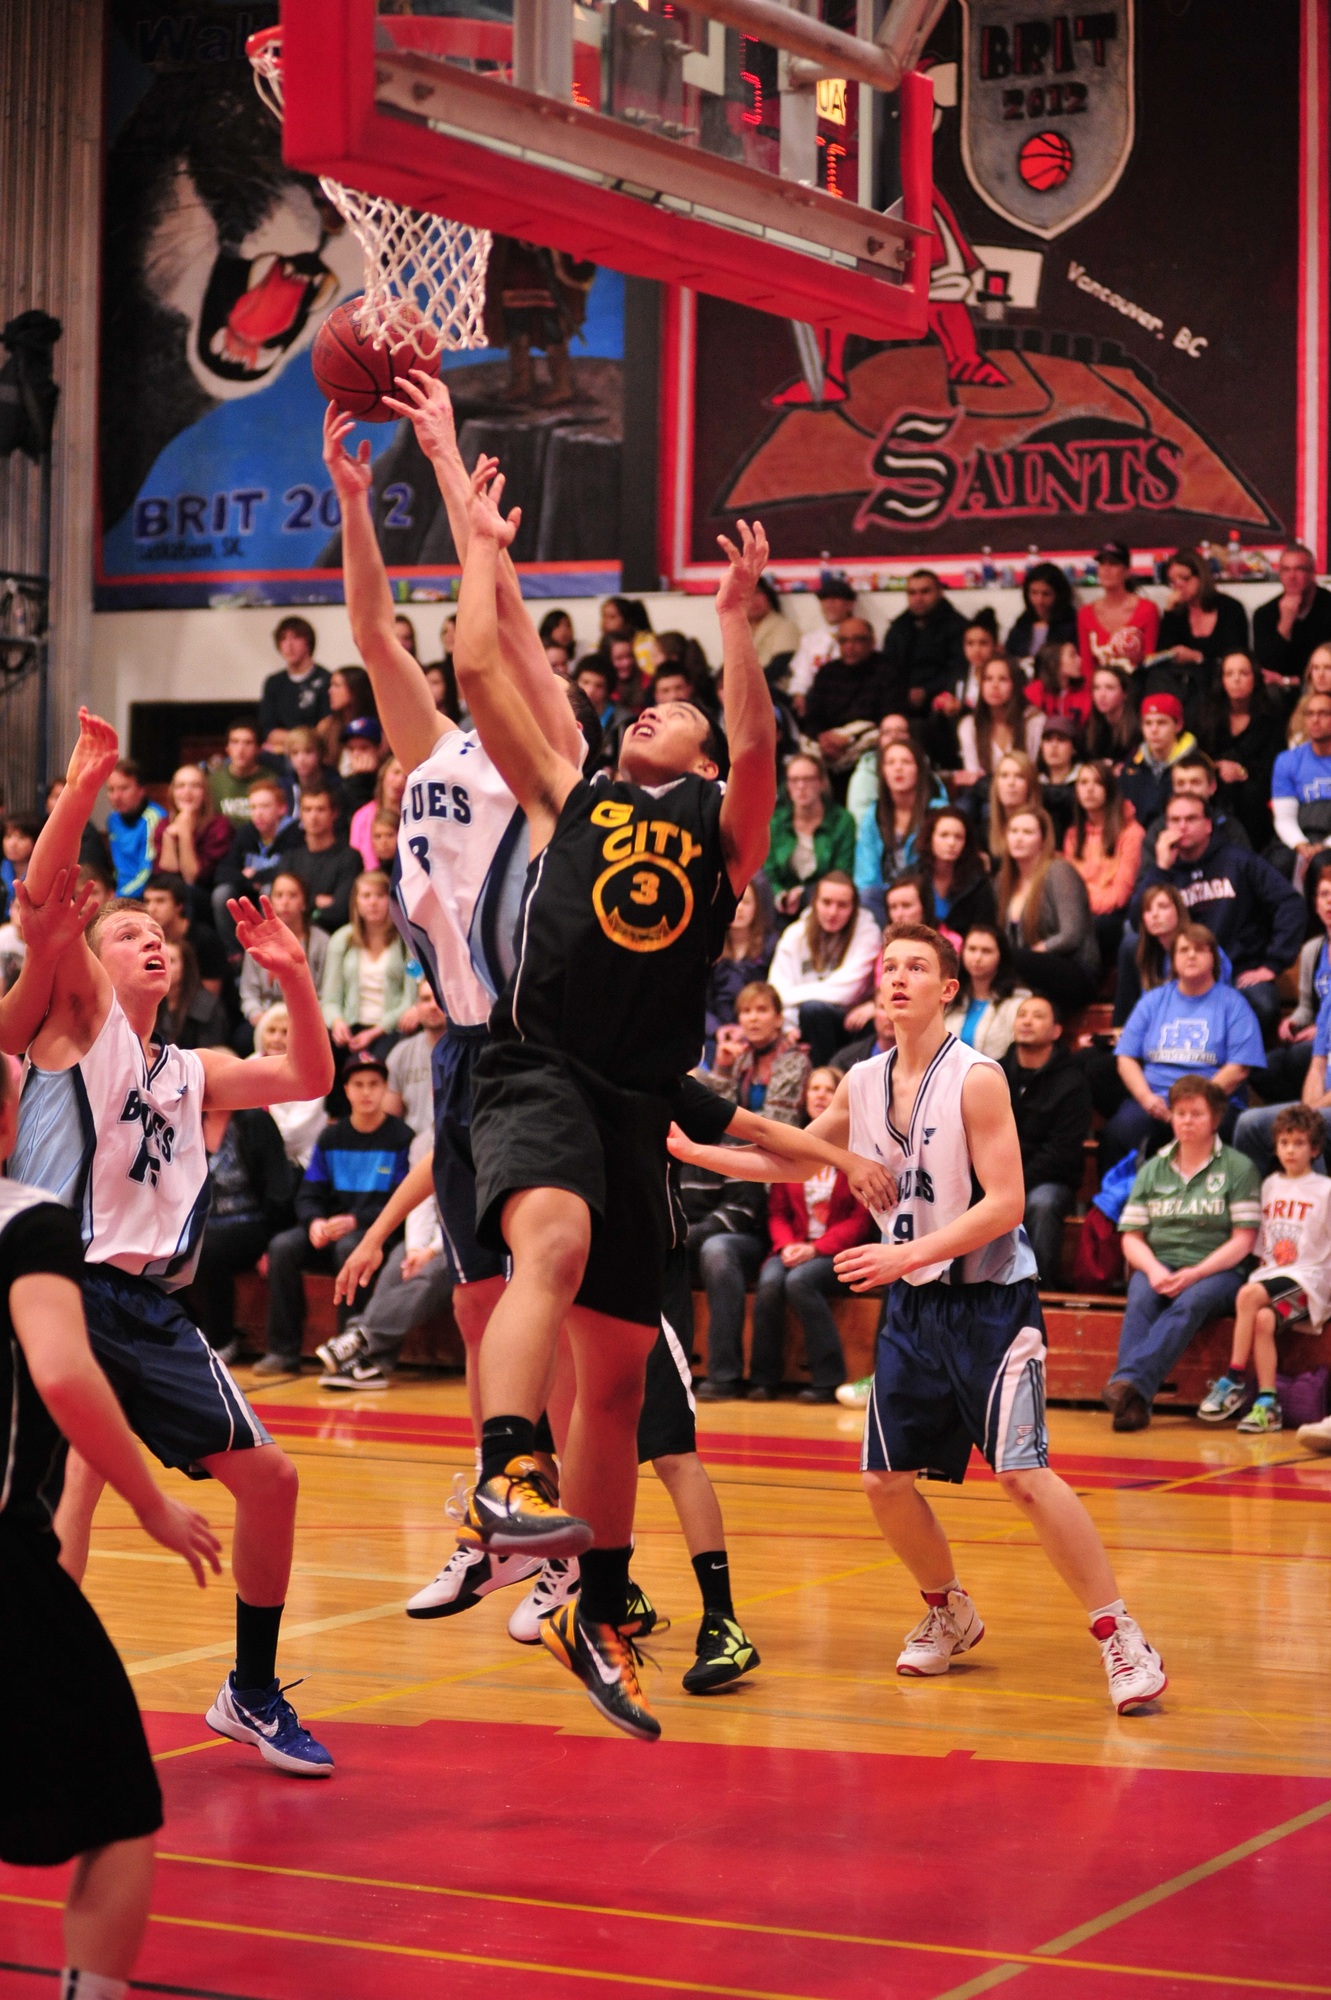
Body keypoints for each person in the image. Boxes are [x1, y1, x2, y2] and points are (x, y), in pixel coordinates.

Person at [453, 465, 776, 1741]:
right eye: (648, 702)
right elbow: (479, 665)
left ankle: (595, 1609)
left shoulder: (723, 829)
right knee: (552, 1241)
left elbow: (757, 745)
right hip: (538, 1064)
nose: (655, 709)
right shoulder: (569, 787)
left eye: (675, 709)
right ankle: (504, 1469)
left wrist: (734, 622)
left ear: (700, 754)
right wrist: (480, 547)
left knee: (625, 1379)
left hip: (637, 1100)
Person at [677, 922, 1168, 1713]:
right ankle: (948, 1610)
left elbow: (1006, 1204)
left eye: (916, 967)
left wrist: (904, 1254)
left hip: (991, 1301)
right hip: (913, 1303)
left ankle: (1119, 1631)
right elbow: (797, 1156)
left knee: (1022, 1475)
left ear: (947, 989)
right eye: (889, 967)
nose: (898, 977)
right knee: (882, 1480)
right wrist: (701, 1154)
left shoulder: (977, 1077)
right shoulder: (861, 1080)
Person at [9, 711, 337, 1776]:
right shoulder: (81, 1023)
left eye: (160, 933)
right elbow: (41, 899)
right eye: (126, 932)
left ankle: (250, 1690)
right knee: (64, 1505)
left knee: (272, 1481)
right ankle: (39, 1704)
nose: (151, 937)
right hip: (59, 1285)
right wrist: (85, 786)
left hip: (148, 1308)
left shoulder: (194, 1070)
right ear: (93, 962)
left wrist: (292, 974)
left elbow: (308, 1077)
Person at [324, 378, 600, 1628]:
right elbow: (373, 628)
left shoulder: (552, 752)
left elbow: (497, 631)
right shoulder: (433, 746)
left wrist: (449, 470)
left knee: (558, 1314)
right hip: (460, 1050)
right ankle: (499, 1521)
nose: (465, 645)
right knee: (482, 1306)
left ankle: (567, 1548)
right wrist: (354, 502)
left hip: (539, 1044)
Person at [0, 1047, 223, 2000]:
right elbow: (61, 1372)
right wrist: (151, 1501)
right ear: (8, 1122)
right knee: (122, 1811)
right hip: (6, 1563)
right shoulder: (26, 1220)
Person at [1106, 1077, 1261, 1433]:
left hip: (1219, 1269)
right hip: (1160, 1262)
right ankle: (1134, 1405)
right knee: (1141, 1298)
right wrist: (1153, 1269)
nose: (1187, 1121)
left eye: (1196, 1114)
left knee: (1189, 1303)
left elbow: (1244, 1240)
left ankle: (1127, 1384)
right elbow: (1131, 1238)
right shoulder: (1153, 1168)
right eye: (1180, 1113)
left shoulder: (1238, 1167)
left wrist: (1197, 1272)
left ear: (1215, 1119)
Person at [261, 1049, 413, 1372]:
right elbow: (309, 1193)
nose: (366, 1092)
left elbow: (401, 1200)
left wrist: (356, 1220)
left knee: (351, 1248)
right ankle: (283, 1351)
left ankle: (349, 1351)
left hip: (375, 1234)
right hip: (331, 1228)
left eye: (374, 1084)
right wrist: (314, 1221)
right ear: (346, 1090)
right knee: (283, 1247)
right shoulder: (331, 1136)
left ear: (385, 1089)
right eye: (358, 1084)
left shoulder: (402, 1137)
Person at [1198, 1104, 1331, 1435]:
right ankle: (1268, 1404)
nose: (1290, 1150)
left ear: (1315, 1149)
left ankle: (1234, 1378)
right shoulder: (1269, 1185)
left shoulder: (1325, 1189)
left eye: (1299, 1143)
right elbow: (1263, 1247)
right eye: (1284, 1142)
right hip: (1275, 1277)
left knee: (1248, 1294)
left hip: (1309, 1283)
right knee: (1262, 1319)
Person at [1128, 791, 1305, 1039]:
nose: (1182, 826)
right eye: (1175, 820)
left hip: (1240, 972)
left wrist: (1272, 963)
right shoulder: (1165, 870)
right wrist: (1161, 869)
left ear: (1208, 825)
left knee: (1262, 1004)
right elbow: (1138, 921)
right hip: (1183, 976)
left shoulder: (1239, 861)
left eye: (1191, 819)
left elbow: (1290, 904)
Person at [748, 1066, 874, 1402]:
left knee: (800, 1281)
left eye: (828, 1089)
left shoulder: (858, 1149)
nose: (820, 1095)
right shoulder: (794, 1144)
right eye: (814, 1089)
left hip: (839, 1252)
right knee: (770, 1281)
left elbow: (862, 1219)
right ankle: (763, 1379)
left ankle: (827, 1380)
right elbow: (777, 1211)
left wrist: (816, 1248)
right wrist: (787, 1244)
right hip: (793, 1247)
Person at [1103, 922, 1262, 1171]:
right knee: (1119, 1130)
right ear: (1173, 960)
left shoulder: (1234, 1004)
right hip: (1155, 1101)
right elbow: (1125, 1058)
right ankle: (1122, 1196)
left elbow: (1239, 1068)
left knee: (1220, 1127)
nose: (1191, 955)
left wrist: (1196, 1103)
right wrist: (1146, 1098)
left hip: (1211, 1103)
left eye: (1199, 950)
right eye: (1184, 950)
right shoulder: (1153, 1001)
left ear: (1214, 958)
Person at [182, 1095, 294, 1362]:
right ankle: (186, 1334)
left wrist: (273, 1242)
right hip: (201, 1224)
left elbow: (279, 1188)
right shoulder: (186, 1121)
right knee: (160, 1250)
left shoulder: (255, 1122)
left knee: (205, 1248)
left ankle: (221, 1340)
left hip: (251, 1223)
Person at [1001, 992, 1094, 1287]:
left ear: (1056, 1031)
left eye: (1038, 1016)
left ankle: (1039, 1290)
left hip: (1048, 1179)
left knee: (1041, 1204)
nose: (1027, 1021)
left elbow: (1061, 1151)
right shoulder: (992, 1073)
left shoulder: (1073, 1081)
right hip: (997, 1176)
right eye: (1022, 1015)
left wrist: (1015, 1185)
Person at [767, 871, 882, 1065]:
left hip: (851, 1023)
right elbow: (775, 991)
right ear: (815, 903)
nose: (832, 912)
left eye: (842, 905)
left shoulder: (868, 932)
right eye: (826, 903)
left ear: (854, 908)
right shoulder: (795, 933)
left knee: (813, 1010)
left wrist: (790, 996)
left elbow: (846, 992)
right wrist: (788, 1024)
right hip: (802, 1021)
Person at [996, 806, 1099, 1013]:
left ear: (1043, 840)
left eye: (1027, 832)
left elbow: (1071, 935)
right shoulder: (1003, 881)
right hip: (1027, 971)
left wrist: (1034, 952)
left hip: (1073, 970)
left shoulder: (1058, 871)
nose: (1019, 838)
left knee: (1010, 958)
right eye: (1014, 831)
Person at [320, 867, 418, 1068]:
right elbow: (330, 999)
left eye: (380, 895)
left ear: (391, 899)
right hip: (351, 1025)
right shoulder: (341, 940)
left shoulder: (406, 941)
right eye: (366, 896)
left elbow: (411, 998)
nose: (373, 902)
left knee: (374, 1065)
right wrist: (337, 1022)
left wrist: (375, 1032)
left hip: (391, 1028)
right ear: (356, 901)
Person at [1195, 652, 1281, 851]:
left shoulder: (1271, 718)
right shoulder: (1206, 715)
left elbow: (1273, 763)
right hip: (1214, 782)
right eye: (1229, 674)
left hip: (1256, 790)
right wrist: (1215, 767)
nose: (1236, 679)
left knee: (1251, 792)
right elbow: (1197, 754)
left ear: (1255, 678)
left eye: (1243, 673)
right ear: (1222, 680)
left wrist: (1242, 772)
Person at [211, 774, 304, 953]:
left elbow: (289, 870)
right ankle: (236, 955)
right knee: (222, 894)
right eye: (253, 807)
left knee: (268, 891)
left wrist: (256, 876)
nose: (258, 813)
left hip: (275, 892)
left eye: (265, 806)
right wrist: (249, 880)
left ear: (282, 809)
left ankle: (270, 949)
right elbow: (223, 871)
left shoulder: (294, 834)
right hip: (249, 890)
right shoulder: (247, 832)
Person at [237, 869, 328, 1051]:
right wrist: (259, 1016)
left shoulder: (321, 941)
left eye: (292, 896)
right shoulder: (258, 939)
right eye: (279, 895)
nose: (285, 902)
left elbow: (325, 993)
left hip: (306, 1018)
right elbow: (248, 992)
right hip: (265, 1016)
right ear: (270, 901)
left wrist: (303, 1020)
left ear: (304, 903)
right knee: (243, 1038)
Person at [1063, 760, 1144, 965]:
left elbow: (1120, 895)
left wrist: (1082, 900)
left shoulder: (1131, 833)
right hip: (1079, 913)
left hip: (1113, 917)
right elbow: (1068, 888)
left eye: (1097, 783)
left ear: (1110, 789)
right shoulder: (1073, 835)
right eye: (1083, 783)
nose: (1089, 789)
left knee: (1089, 929)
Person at [1153, 546, 1250, 709]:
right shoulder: (1176, 613)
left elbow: (1236, 654)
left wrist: (1197, 657)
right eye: (1173, 581)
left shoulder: (1230, 608)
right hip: (1185, 682)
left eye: (1184, 578)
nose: (1178, 585)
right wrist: (1168, 612)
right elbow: (1162, 655)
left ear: (1201, 576)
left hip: (1220, 679)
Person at [704, 978, 810, 1123]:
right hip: (735, 1134)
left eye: (762, 1010)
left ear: (779, 1019)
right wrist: (723, 1069)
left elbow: (777, 1120)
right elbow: (716, 1114)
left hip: (777, 1135)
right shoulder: (740, 1056)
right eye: (746, 1011)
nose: (753, 1018)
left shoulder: (795, 1060)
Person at [853, 736, 947, 899]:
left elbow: (944, 872)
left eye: (906, 762)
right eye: (890, 763)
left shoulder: (938, 813)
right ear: (882, 772)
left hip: (928, 897)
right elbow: (866, 877)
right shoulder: (873, 816)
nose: (898, 768)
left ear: (919, 770)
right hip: (886, 900)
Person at [766, 751, 857, 916]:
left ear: (821, 783)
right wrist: (781, 895)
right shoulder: (775, 822)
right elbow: (769, 871)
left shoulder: (842, 821)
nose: (801, 786)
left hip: (827, 900)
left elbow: (842, 871)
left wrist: (805, 894)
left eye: (808, 779)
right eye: (794, 780)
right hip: (781, 903)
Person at [802, 618, 886, 778]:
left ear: (872, 642)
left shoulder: (887, 671)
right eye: (843, 641)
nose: (850, 646)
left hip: (865, 742)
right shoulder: (827, 672)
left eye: (858, 640)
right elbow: (812, 715)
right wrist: (822, 737)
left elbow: (887, 716)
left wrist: (848, 737)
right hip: (826, 744)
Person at [250, 1002, 327, 1172]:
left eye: (285, 1032)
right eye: (271, 1031)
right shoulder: (248, 1065)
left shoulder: (310, 1073)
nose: (277, 1039)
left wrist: (263, 1145)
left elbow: (297, 1133)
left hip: (296, 1161)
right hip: (252, 1159)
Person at [881, 569, 967, 719]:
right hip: (900, 702)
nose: (918, 598)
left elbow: (959, 670)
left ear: (940, 592)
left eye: (925, 591)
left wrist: (927, 691)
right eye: (912, 593)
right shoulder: (898, 628)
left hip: (943, 704)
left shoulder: (958, 627)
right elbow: (887, 668)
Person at [1252, 543, 1331, 700]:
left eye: (1299, 569)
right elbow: (1268, 669)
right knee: (1269, 693)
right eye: (1286, 570)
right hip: (1281, 692)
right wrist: (1285, 623)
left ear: (1312, 573)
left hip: (1323, 685)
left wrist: (1291, 681)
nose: (1292, 576)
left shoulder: (1327, 606)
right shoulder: (1264, 614)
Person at [943, 923, 1029, 1059]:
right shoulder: (949, 995)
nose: (977, 958)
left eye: (986, 951)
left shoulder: (1018, 1000)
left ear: (1001, 956)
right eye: (972, 949)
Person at [1269, 689, 1331, 878]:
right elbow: (1284, 817)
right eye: (1310, 714)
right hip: (1302, 833)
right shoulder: (1287, 761)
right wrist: (1301, 844)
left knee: (1322, 862)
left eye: (1323, 714)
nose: (1315, 720)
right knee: (1280, 861)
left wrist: (1324, 846)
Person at [1077, 540, 1160, 678]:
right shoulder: (1085, 614)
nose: (1106, 569)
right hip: (1100, 687)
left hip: (1136, 684)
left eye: (1113, 563)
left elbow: (1150, 661)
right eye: (1102, 563)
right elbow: (1087, 667)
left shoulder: (1147, 610)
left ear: (1127, 571)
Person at [288, 783, 362, 934]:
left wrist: (303, 906)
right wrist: (315, 902)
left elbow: (340, 911)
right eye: (307, 809)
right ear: (300, 814)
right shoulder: (290, 858)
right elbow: (282, 906)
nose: (313, 816)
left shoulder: (350, 857)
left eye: (320, 809)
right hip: (294, 936)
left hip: (335, 935)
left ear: (334, 813)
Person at [955, 656, 1044, 781]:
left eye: (1003, 679)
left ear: (1015, 684)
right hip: (983, 791)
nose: (994, 686)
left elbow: (1031, 772)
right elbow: (974, 778)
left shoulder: (1033, 721)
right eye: (988, 679)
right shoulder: (969, 726)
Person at [915, 807, 996, 941]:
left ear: (966, 843)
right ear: (930, 838)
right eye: (944, 835)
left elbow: (984, 932)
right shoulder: (913, 876)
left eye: (958, 837)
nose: (951, 843)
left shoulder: (978, 884)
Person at [152, 763, 232, 898]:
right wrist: (169, 837)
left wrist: (185, 833)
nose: (187, 792)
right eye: (180, 786)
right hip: (173, 896)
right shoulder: (164, 824)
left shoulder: (219, 825)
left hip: (207, 894)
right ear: (172, 793)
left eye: (195, 786)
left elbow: (192, 878)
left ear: (205, 793)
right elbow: (166, 877)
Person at [1118, 692, 1197, 828]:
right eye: (1148, 723)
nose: (1154, 730)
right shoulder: (1132, 767)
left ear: (1178, 725)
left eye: (1161, 723)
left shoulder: (1195, 765)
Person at [142, 872, 228, 995]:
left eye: (160, 901)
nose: (151, 908)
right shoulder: (147, 939)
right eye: (147, 901)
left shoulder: (206, 940)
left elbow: (211, 996)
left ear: (179, 906)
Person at [706, 880, 772, 1039]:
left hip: (759, 1030)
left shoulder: (771, 945)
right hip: (716, 1032)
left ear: (757, 907)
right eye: (733, 901)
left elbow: (775, 998)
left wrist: (746, 1029)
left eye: (746, 902)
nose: (739, 908)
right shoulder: (708, 946)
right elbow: (696, 999)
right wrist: (716, 1030)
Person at [258, 614, 330, 752]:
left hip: (315, 752)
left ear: (308, 642)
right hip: (281, 753)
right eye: (283, 639)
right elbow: (269, 732)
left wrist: (297, 742)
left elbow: (325, 728)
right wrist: (298, 740)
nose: (289, 645)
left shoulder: (325, 679)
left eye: (296, 638)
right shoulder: (274, 683)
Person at [787, 571, 858, 703]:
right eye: (825, 599)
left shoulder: (862, 637)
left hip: (850, 697)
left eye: (835, 599)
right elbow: (801, 675)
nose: (829, 604)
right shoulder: (810, 639)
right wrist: (798, 694)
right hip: (816, 699)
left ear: (850, 604)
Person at [104, 760, 166, 899]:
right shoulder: (113, 819)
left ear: (141, 790)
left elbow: (148, 872)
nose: (116, 796)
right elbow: (119, 868)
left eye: (124, 788)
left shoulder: (155, 818)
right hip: (118, 892)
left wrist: (118, 898)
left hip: (145, 895)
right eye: (111, 790)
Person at [155, 939, 230, 1050]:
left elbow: (211, 1050)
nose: (164, 966)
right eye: (160, 960)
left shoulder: (207, 1005)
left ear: (186, 967)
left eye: (171, 961)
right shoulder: (148, 1003)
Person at [1004, 562, 1078, 671]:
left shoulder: (1070, 625)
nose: (1039, 601)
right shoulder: (1022, 624)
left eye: (1046, 594)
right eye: (1034, 593)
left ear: (1058, 594)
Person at [984, 749, 1042, 862]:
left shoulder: (1044, 825)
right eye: (1004, 776)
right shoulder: (984, 829)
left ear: (1030, 785)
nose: (1011, 783)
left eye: (1019, 776)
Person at [1027, 639, 1091, 734]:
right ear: (1054, 661)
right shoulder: (1035, 691)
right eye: (1072, 655)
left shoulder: (1083, 694)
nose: (1079, 660)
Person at [210, 721, 266, 825]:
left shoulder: (272, 781)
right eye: (235, 742)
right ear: (227, 748)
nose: (240, 750)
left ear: (259, 748)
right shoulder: (213, 782)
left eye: (248, 743)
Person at [1084, 663, 1140, 768]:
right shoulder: (1089, 729)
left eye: (1109, 688)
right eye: (1096, 688)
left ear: (1124, 693)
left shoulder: (1138, 730)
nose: (1102, 695)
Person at [1036, 716, 1079, 845]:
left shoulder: (1084, 780)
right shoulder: (1034, 782)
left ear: (1073, 748)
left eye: (1061, 740)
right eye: (1048, 740)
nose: (1054, 746)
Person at [744, 574, 800, 671]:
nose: (753, 600)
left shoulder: (785, 627)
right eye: (746, 596)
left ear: (769, 596)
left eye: (757, 592)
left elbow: (779, 668)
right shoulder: (740, 632)